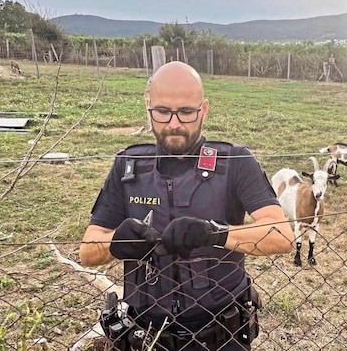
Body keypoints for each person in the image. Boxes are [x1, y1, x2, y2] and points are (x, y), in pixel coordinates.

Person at [79, 61, 294, 351]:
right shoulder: (128, 167)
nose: (174, 124)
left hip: (222, 336)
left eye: (186, 112)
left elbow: (280, 235)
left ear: (203, 110)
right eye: (163, 111)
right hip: (144, 336)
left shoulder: (236, 162)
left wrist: (216, 234)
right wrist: (116, 243)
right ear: (148, 107)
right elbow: (87, 251)